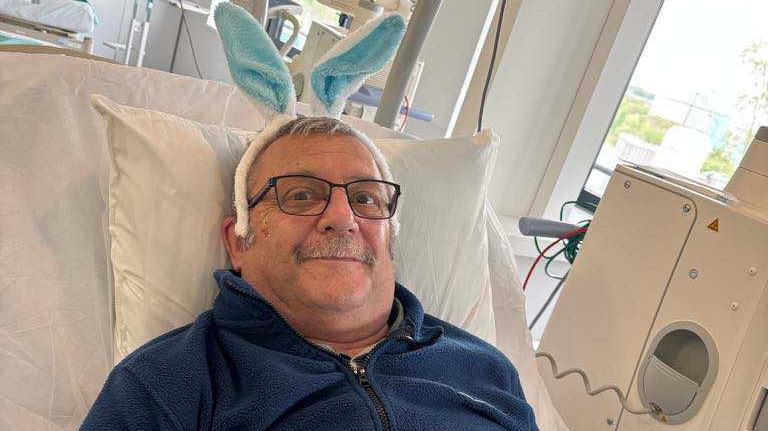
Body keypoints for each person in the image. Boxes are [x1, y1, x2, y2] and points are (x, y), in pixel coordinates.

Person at [78, 116, 539, 431]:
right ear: (238, 242)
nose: (342, 217)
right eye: (300, 195)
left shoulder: (487, 370)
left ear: (388, 240)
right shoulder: (168, 384)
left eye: (364, 198)